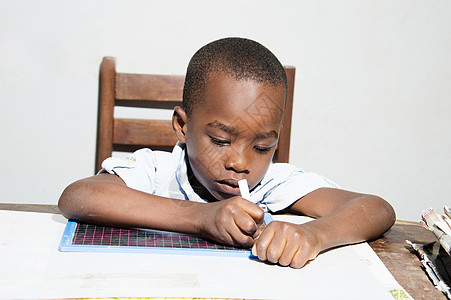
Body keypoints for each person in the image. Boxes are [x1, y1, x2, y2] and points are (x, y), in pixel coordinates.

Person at [58, 37, 396, 268]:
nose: (241, 163)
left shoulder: (274, 184)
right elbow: (78, 196)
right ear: (182, 126)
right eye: (220, 140)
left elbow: (376, 209)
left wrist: (312, 235)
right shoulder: (158, 170)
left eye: (263, 147)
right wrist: (202, 218)